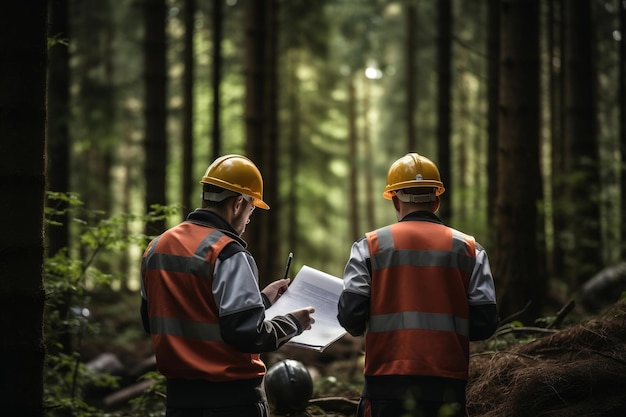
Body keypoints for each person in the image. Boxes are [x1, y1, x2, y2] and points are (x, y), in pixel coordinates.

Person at [140, 154, 315, 417]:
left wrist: (263, 300)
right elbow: (249, 335)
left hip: (179, 401)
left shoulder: (156, 248)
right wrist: (294, 323)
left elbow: (153, 320)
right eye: (251, 209)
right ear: (237, 204)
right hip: (233, 401)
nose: (249, 218)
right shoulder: (229, 253)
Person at [337, 152, 498, 417]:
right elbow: (484, 324)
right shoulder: (470, 250)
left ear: (395, 200)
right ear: (436, 200)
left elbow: (351, 318)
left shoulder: (369, 247)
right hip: (447, 386)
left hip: (385, 386)